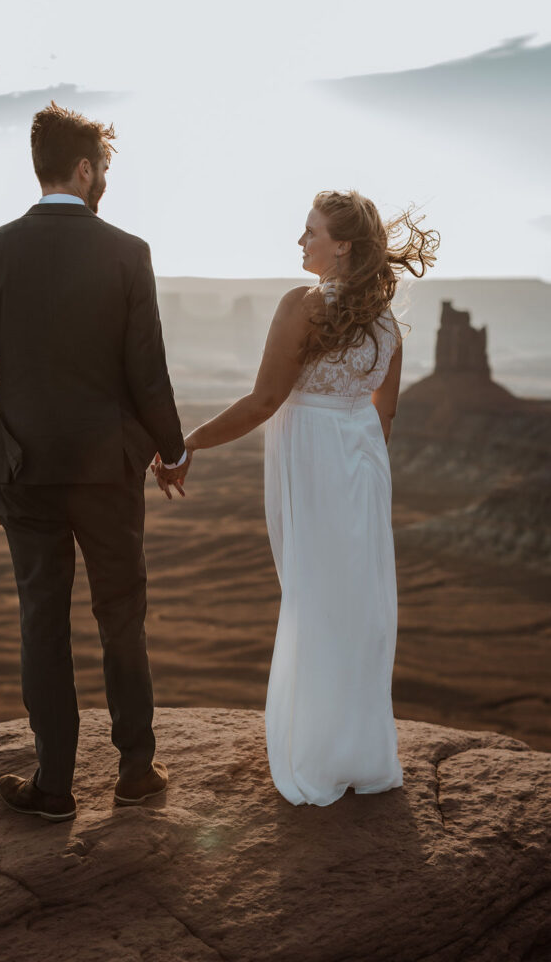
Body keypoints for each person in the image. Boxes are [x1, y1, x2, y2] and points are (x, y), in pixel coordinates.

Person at [155, 190, 439, 805]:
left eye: (310, 232)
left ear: (343, 244)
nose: (300, 242)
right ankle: (360, 753)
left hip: (312, 457)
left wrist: (190, 443)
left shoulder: (303, 304)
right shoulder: (387, 321)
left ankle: (315, 755)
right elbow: (383, 415)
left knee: (313, 597)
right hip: (361, 462)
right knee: (357, 603)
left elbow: (264, 401)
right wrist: (355, 462)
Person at [0, 100, 190, 822]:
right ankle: (135, 770)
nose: (104, 180)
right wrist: (172, 450)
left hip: (22, 467)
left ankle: (53, 785)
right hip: (108, 469)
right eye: (104, 168)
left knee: (41, 619)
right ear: (84, 169)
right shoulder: (127, 251)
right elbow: (146, 369)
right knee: (122, 615)